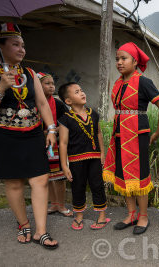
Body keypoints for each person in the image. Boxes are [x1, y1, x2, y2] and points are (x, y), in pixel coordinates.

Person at [0, 23, 58, 249]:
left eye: (23, 45)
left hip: (32, 134)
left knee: (40, 180)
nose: (22, 49)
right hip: (4, 136)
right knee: (14, 183)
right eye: (15, 44)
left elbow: (42, 103)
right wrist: (1, 86)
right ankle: (23, 224)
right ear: (0, 46)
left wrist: (51, 129)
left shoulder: (30, 73)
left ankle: (41, 231)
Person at [103, 42, 159, 235]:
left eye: (124, 59)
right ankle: (131, 214)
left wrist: (157, 132)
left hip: (137, 135)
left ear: (135, 61)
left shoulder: (143, 82)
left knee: (139, 176)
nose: (119, 62)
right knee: (124, 174)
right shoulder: (118, 82)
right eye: (117, 59)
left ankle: (143, 216)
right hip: (119, 134)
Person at [58, 82, 109, 230]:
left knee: (97, 185)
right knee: (78, 187)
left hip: (94, 158)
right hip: (76, 160)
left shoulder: (93, 114)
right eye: (76, 92)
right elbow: (63, 143)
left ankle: (102, 216)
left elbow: (98, 133)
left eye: (81, 90)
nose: (82, 93)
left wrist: (102, 153)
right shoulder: (65, 119)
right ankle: (79, 216)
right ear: (68, 101)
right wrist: (64, 165)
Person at [37, 72, 72, 217]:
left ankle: (62, 205)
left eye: (53, 83)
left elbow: (67, 121)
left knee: (59, 176)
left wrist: (52, 131)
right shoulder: (32, 103)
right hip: (38, 144)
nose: (52, 86)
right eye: (47, 83)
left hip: (56, 145)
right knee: (47, 176)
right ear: (38, 86)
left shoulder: (57, 104)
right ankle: (54, 204)